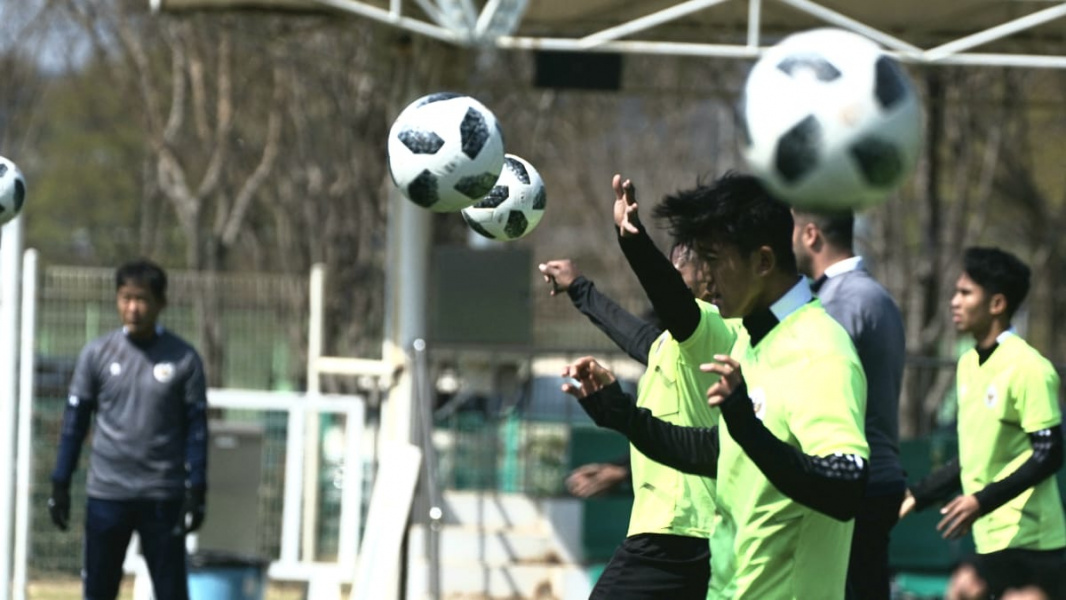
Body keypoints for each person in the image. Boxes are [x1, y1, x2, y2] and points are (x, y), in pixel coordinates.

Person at [562, 172, 870, 599]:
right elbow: (715, 452)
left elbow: (846, 485)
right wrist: (623, 415)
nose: (703, 276)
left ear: (762, 262)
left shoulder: (818, 347)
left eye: (712, 257)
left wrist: (748, 429)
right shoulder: (748, 341)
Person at [899, 247, 1065, 599]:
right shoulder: (967, 365)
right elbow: (977, 456)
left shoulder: (1029, 368)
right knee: (959, 590)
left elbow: (1049, 453)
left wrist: (980, 501)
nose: (953, 302)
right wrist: (919, 493)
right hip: (990, 536)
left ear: (997, 304)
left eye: (965, 293)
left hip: (1032, 542)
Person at [47, 259, 209, 600]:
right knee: (99, 591)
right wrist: (61, 481)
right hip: (108, 495)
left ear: (161, 303)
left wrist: (197, 489)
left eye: (142, 299)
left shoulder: (183, 359)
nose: (133, 308)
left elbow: (197, 428)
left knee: (171, 592)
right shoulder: (97, 354)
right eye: (125, 298)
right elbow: (75, 423)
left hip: (162, 495)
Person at [791, 209, 907, 600]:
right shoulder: (871, 294)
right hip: (875, 479)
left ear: (810, 234)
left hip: (858, 483)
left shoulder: (843, 299)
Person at [539, 250, 709, 499]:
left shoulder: (712, 340)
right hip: (661, 517)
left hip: (690, 523)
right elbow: (674, 438)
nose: (671, 278)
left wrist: (580, 287)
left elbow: (706, 447)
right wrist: (621, 468)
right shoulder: (669, 359)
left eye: (679, 270)